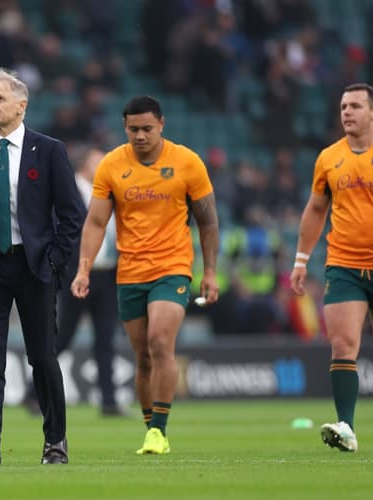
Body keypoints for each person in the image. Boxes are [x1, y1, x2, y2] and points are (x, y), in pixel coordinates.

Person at [0, 68, 85, 467]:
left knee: (42, 357)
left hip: (35, 266)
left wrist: (56, 259)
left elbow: (72, 213)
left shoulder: (49, 151)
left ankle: (55, 441)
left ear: (21, 106)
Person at [71, 96, 220, 454]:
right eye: (133, 129)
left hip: (173, 268)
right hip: (130, 272)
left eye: (147, 129)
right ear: (125, 128)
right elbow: (95, 222)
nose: (140, 135)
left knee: (159, 340)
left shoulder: (187, 163)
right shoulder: (111, 165)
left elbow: (208, 220)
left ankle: (160, 430)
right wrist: (84, 267)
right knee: (142, 357)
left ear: (162, 125)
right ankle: (150, 427)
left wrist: (211, 271)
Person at [290, 83, 373, 453]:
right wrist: (301, 260)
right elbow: (316, 210)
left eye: (355, 106)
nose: (346, 112)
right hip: (343, 265)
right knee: (343, 345)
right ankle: (346, 426)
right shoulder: (328, 158)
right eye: (343, 106)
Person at [23, 144, 124, 417]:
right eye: (97, 161)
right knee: (63, 337)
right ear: (83, 165)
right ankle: (33, 391)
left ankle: (109, 402)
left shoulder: (108, 194)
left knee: (105, 339)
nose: (103, 166)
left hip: (107, 274)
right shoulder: (69, 191)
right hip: (76, 275)